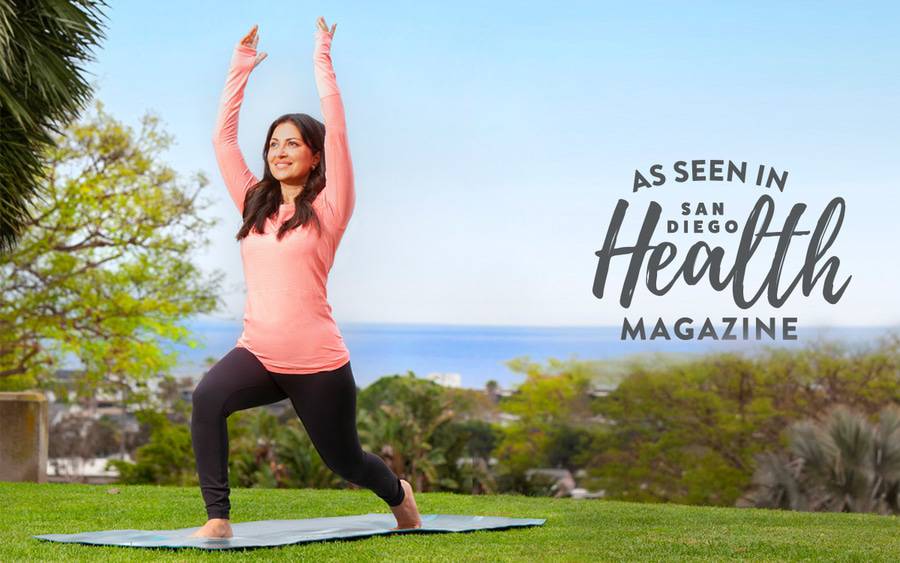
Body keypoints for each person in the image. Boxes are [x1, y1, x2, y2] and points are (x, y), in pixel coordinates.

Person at [189, 17, 422, 538]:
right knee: (207, 398)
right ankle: (218, 517)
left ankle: (397, 494)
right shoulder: (253, 203)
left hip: (318, 361)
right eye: (273, 143)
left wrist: (322, 55)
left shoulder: (331, 206)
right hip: (258, 352)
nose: (279, 151)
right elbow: (221, 139)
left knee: (346, 461)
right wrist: (239, 66)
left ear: (314, 154)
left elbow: (337, 127)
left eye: (292, 143)